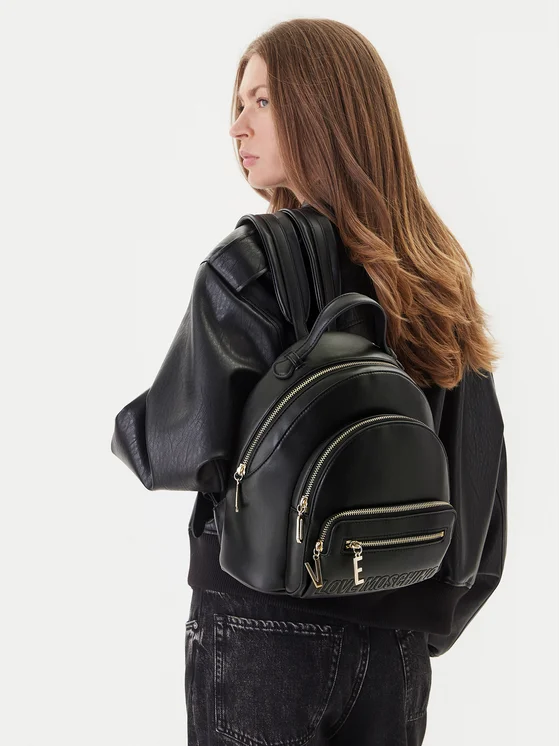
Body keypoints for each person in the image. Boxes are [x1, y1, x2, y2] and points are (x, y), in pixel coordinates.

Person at [110, 18, 507, 745]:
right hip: (396, 637)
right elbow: (479, 475)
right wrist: (427, 617)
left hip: (263, 619)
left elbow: (177, 447)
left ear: (324, 110)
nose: (237, 125)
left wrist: (131, 429)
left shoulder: (253, 260)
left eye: (261, 100)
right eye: (238, 104)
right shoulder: (434, 274)